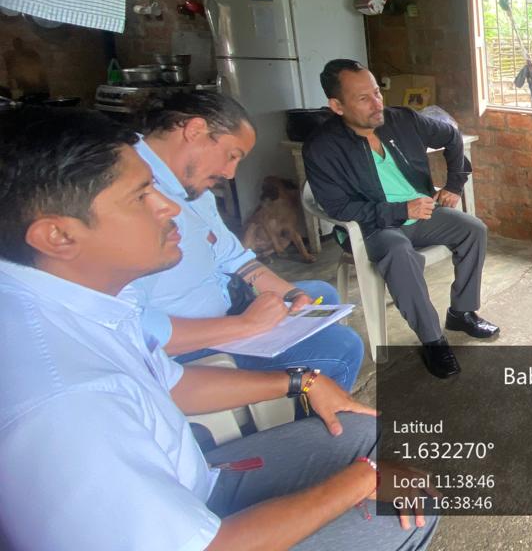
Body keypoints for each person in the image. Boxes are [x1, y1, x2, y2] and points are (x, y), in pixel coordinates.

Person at [0, 107, 436, 550]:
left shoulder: (86, 303)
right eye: (141, 196)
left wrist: (300, 381)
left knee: (365, 432)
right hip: (202, 530)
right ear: (57, 236)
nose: (170, 207)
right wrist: (364, 480)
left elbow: (170, 382)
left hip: (194, 481)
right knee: (407, 511)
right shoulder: (67, 401)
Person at [132, 91, 365, 392]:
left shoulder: (191, 188)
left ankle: (302, 394)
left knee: (320, 295)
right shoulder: (130, 192)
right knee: (343, 347)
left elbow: (234, 258)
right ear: (195, 130)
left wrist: (292, 294)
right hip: (189, 345)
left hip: (227, 308)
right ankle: (312, 405)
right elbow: (128, 326)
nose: (230, 174)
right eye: (232, 156)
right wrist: (245, 325)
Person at [305, 60, 494, 380]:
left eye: (377, 93)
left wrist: (453, 184)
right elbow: (340, 208)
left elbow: (451, 136)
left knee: (473, 230)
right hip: (372, 227)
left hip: (420, 214)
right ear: (337, 106)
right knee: (399, 252)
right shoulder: (322, 148)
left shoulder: (402, 120)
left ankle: (461, 312)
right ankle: (433, 340)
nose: (377, 103)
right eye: (363, 98)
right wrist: (400, 211)